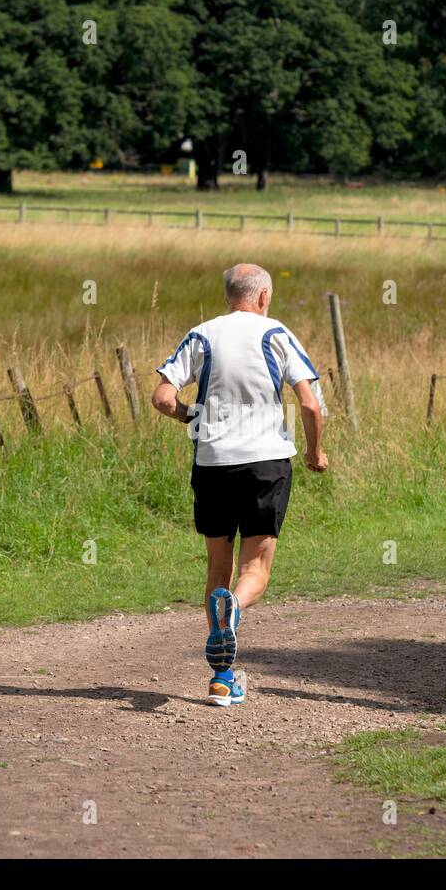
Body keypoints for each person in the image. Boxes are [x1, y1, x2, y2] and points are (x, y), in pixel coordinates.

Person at [153, 263, 328, 706]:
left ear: (228, 294)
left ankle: (221, 679)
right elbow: (308, 404)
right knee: (256, 571)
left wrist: (189, 416)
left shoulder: (202, 334)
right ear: (264, 296)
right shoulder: (275, 334)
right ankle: (232, 616)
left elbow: (161, 397)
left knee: (217, 571)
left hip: (212, 464)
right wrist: (314, 453)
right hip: (266, 463)